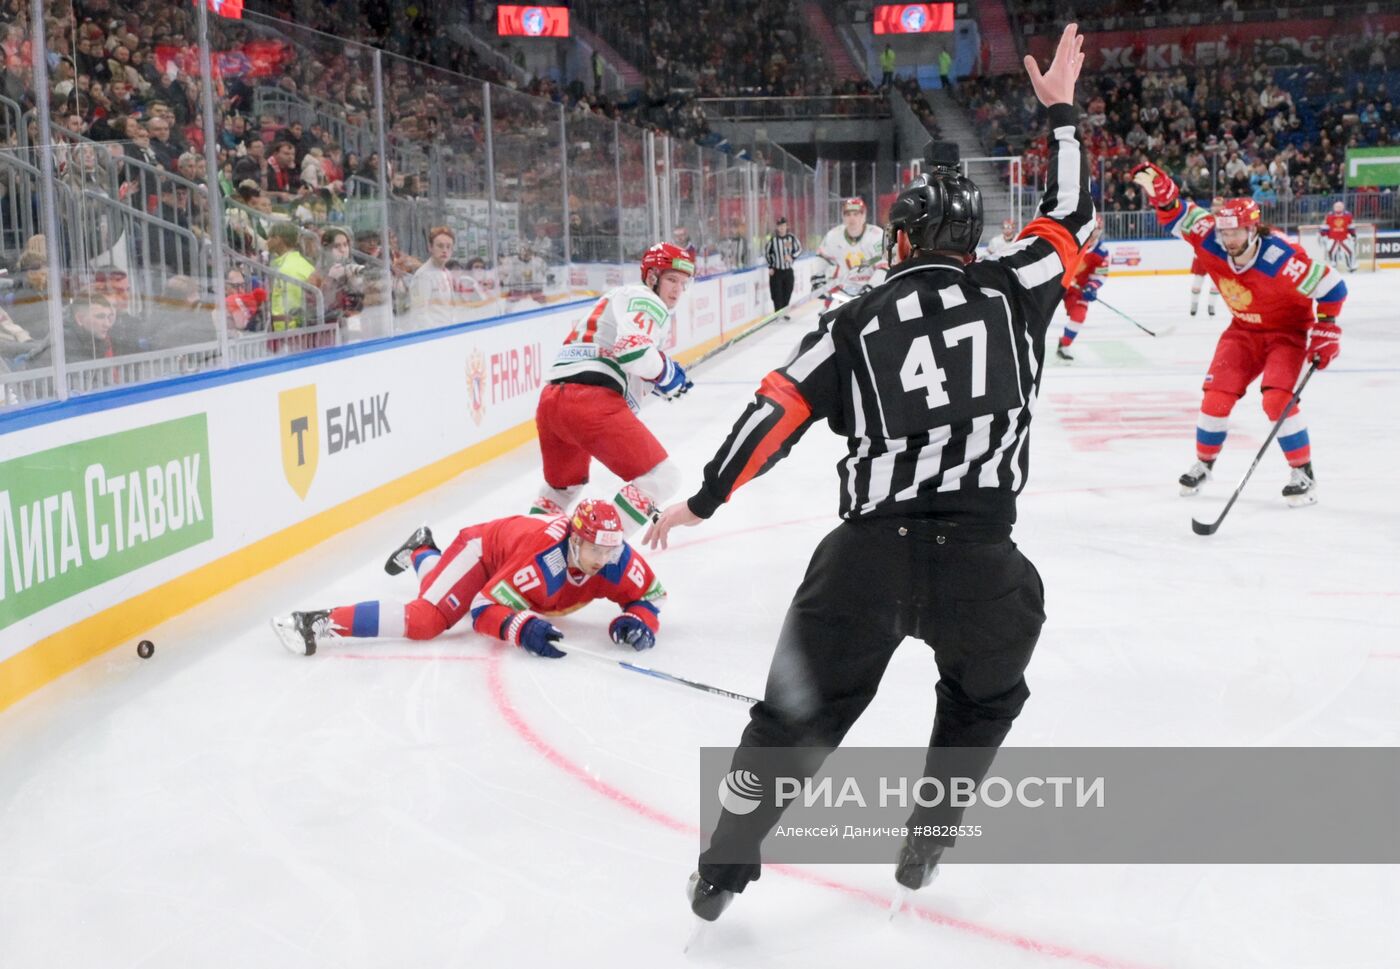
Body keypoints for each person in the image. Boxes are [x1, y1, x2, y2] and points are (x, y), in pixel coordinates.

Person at [644, 24, 1094, 921]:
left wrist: (704, 497)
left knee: (786, 725)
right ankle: (929, 834)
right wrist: (1064, 118)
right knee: (986, 696)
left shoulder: (853, 324)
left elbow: (771, 414)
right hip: (982, 562)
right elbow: (1074, 216)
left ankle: (722, 869)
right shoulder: (1015, 290)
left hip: (864, 563)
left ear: (899, 240)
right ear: (969, 239)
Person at [1131, 165, 1347, 506]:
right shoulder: (1210, 237)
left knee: (1277, 399)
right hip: (1243, 330)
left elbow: (1333, 286)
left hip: (1285, 334)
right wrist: (1162, 192)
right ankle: (1203, 465)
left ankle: (1303, 474)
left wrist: (1326, 330)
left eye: (1235, 233)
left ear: (1252, 228)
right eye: (1224, 232)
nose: (1227, 239)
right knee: (1215, 397)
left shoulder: (1281, 258)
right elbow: (1177, 214)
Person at [271, 500, 666, 658]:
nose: (604, 560)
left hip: (508, 558)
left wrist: (638, 621)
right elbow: (482, 607)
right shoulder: (541, 559)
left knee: (442, 599)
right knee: (429, 618)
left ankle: (422, 549)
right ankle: (316, 622)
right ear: (575, 540)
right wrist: (520, 629)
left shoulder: (614, 557)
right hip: (483, 552)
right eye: (596, 550)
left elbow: (651, 596)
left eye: (610, 551)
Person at [531, 242, 696, 531]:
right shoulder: (648, 299)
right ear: (652, 277)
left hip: (552, 403)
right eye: (671, 279)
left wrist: (656, 379)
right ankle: (596, 552)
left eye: (683, 283)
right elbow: (633, 352)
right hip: (589, 403)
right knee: (662, 479)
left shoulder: (618, 298)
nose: (677, 290)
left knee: (560, 490)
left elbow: (616, 355)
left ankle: (529, 548)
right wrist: (667, 372)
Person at [1054, 220, 1109, 362]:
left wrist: (1092, 287)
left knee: (1079, 316)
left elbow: (1101, 275)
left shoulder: (1101, 252)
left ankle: (1064, 345)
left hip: (1078, 290)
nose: (1093, 233)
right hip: (1057, 285)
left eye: (1097, 230)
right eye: (1092, 229)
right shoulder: (1071, 242)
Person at [815, 197, 886, 301]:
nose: (851, 218)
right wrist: (817, 279)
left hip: (873, 292)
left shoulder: (876, 235)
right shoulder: (834, 236)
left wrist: (872, 287)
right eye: (847, 214)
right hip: (844, 292)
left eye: (856, 214)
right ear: (843, 217)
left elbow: (884, 265)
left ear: (863, 216)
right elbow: (822, 257)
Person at [408, 225, 461, 330]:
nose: (445, 250)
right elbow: (420, 314)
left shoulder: (447, 273)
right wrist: (436, 334)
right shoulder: (423, 275)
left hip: (449, 331)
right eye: (440, 246)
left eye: (448, 246)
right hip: (434, 335)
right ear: (430, 247)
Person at [1189, 197, 1224, 317]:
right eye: (1215, 205)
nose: (1217, 207)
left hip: (1216, 256)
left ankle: (1211, 306)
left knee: (1215, 283)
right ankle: (1194, 304)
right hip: (1201, 255)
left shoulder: (1226, 221)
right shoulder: (1204, 219)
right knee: (1198, 281)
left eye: (1219, 205)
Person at [763, 215, 802, 312]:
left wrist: (792, 256)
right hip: (777, 272)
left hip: (788, 271)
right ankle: (778, 312)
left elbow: (799, 249)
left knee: (788, 291)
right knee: (777, 294)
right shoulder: (773, 240)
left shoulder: (791, 238)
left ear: (786, 226)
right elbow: (767, 253)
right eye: (780, 226)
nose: (782, 228)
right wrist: (770, 267)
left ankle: (784, 311)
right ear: (777, 227)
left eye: (783, 225)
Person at [1321, 200, 1356, 273]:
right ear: (1333, 207)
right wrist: (1323, 235)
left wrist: (1353, 235)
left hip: (1344, 238)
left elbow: (1351, 227)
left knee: (1349, 252)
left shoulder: (1348, 215)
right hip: (1332, 238)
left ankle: (1350, 266)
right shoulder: (1329, 215)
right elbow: (1325, 226)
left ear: (1343, 207)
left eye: (1340, 206)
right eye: (1336, 206)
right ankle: (1333, 266)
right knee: (1330, 251)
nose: (1338, 208)